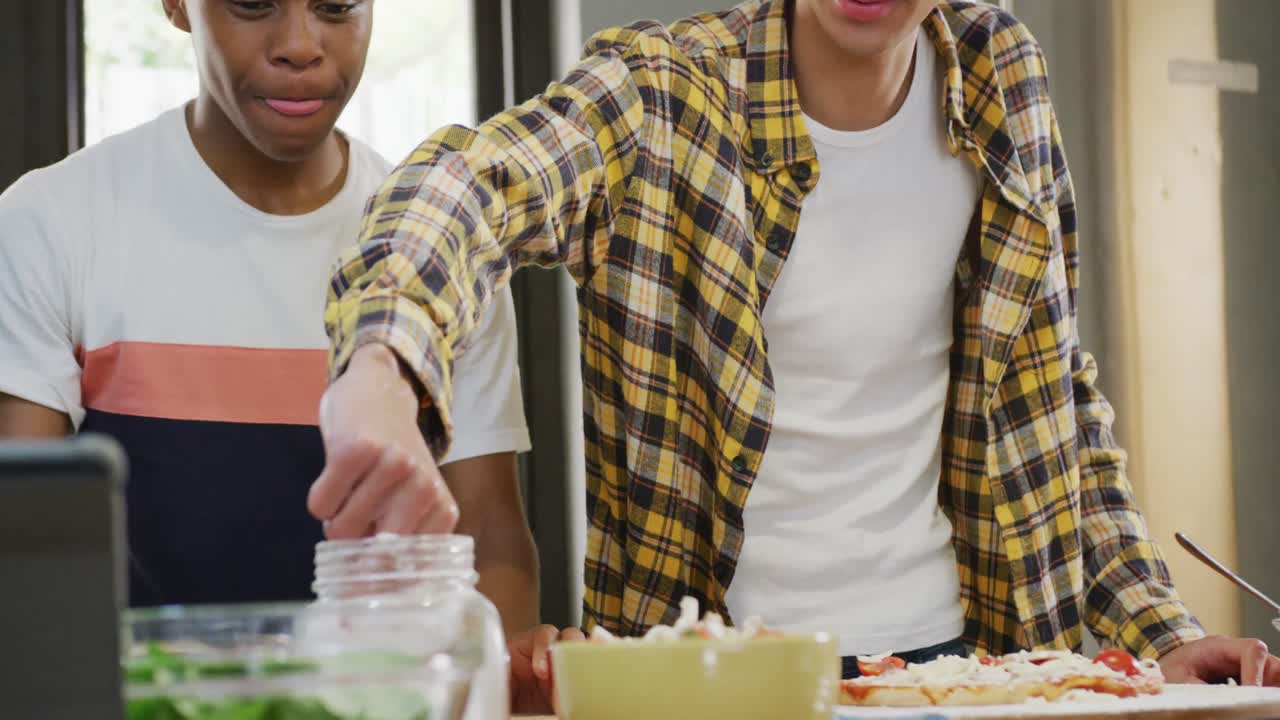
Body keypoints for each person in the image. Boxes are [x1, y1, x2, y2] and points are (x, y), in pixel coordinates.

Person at [310, 0, 1280, 710]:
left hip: (970, 673)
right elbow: (461, 187)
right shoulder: (663, 94)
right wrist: (381, 370)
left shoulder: (1000, 78)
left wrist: (1155, 634)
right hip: (713, 682)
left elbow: (1051, 408)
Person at [0, 0, 536, 634]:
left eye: (336, 6)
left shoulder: (441, 247)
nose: (300, 45)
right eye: (254, 5)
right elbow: (24, 552)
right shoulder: (54, 220)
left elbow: (489, 534)